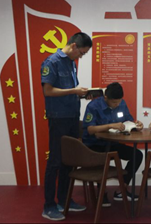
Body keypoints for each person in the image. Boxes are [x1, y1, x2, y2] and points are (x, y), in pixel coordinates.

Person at [40, 32, 92, 221]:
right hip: (58, 118)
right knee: (55, 161)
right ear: (74, 46)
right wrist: (73, 91)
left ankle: (64, 200)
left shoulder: (71, 63)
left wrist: (82, 94)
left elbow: (69, 91)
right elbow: (48, 91)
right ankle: (49, 206)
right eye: (82, 53)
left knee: (68, 161)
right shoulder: (52, 62)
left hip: (72, 116)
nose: (81, 57)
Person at [82, 82, 144, 205]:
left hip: (113, 144)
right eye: (114, 102)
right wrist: (110, 125)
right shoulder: (93, 106)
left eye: (119, 102)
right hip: (94, 145)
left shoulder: (122, 103)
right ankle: (102, 193)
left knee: (137, 155)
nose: (117, 105)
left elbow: (128, 121)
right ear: (106, 97)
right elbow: (90, 129)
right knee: (102, 161)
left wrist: (136, 125)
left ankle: (122, 189)